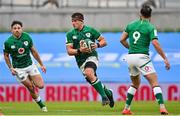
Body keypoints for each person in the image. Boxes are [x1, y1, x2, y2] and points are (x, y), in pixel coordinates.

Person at [120, 5, 170, 115]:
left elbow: (122, 39)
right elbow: (155, 43)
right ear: (150, 15)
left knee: (135, 84)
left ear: (140, 14)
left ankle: (126, 108)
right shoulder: (150, 27)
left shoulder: (131, 25)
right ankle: (162, 108)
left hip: (130, 58)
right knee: (154, 82)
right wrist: (165, 58)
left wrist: (131, 48)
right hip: (142, 57)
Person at [66, 12, 114, 107]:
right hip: (80, 62)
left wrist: (96, 45)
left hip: (92, 57)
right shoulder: (70, 34)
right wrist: (80, 50)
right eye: (72, 21)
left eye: (75, 21)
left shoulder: (91, 30)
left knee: (89, 73)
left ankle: (104, 97)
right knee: (92, 79)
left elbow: (104, 41)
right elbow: (69, 51)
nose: (73, 23)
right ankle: (109, 93)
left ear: (81, 21)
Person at [3, 20, 48, 112]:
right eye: (15, 28)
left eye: (19, 28)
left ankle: (31, 79)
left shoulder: (27, 37)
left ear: (22, 29)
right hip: (18, 69)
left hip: (30, 65)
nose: (17, 30)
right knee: (31, 87)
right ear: (11, 30)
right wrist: (11, 68)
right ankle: (42, 105)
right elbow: (6, 56)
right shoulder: (8, 42)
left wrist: (41, 64)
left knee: (41, 86)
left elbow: (34, 51)